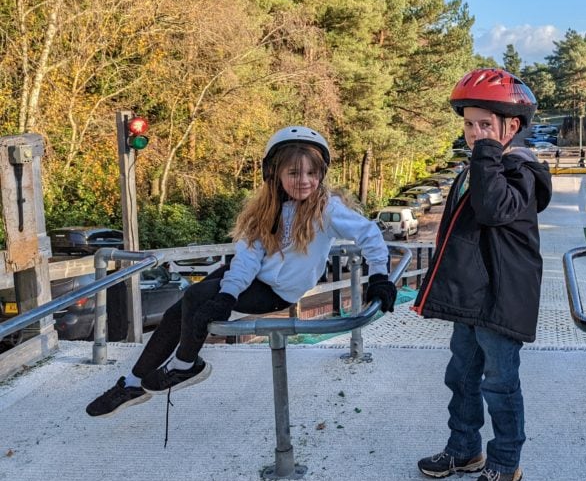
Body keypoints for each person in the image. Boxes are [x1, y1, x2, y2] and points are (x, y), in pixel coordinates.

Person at [86, 126, 397, 418]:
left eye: (312, 173)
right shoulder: (264, 210)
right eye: (293, 172)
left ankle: (186, 364)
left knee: (195, 295)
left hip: (276, 291)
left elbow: (369, 233)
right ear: (274, 174)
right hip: (251, 277)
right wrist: (228, 294)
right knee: (176, 313)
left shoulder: (326, 208)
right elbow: (247, 260)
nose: (304, 180)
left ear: (322, 174)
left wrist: (380, 277)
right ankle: (132, 383)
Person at [412, 68, 552, 481]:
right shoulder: (479, 166)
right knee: (462, 376)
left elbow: (493, 210)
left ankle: (506, 461)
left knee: (500, 383)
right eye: (470, 124)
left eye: (486, 125)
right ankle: (464, 449)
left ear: (513, 127)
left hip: (501, 302)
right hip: (471, 299)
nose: (476, 134)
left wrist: (488, 151)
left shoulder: (520, 171)